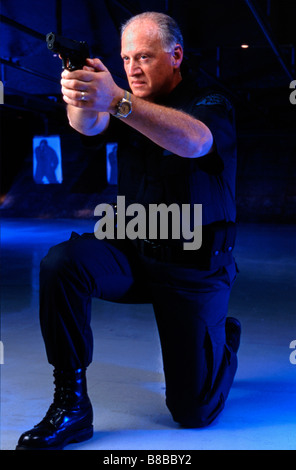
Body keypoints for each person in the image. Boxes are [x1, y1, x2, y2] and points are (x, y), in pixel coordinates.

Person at [16, 12, 241, 450]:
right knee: (63, 264)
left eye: (144, 57)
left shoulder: (211, 98)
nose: (133, 68)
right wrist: (81, 94)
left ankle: (223, 342)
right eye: (125, 58)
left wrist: (116, 98)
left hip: (194, 264)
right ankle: (72, 407)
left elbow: (195, 142)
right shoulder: (127, 97)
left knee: (193, 412)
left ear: (175, 56)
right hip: (135, 251)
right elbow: (90, 125)